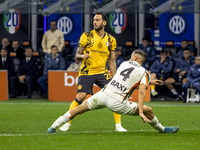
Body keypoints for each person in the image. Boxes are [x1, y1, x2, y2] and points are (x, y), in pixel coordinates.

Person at [48, 50, 179, 134]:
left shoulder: (124, 64)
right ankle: (162, 130)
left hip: (102, 95)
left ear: (133, 58)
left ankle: (53, 127)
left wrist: (149, 81)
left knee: (78, 109)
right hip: (117, 103)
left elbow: (126, 79)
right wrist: (140, 111)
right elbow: (141, 92)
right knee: (148, 110)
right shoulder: (144, 72)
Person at [59, 12, 126, 132]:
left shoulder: (111, 39)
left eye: (98, 20)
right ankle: (67, 123)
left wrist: (115, 78)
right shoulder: (86, 36)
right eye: (94, 20)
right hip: (87, 71)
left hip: (102, 72)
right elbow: (76, 56)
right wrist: (82, 56)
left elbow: (112, 61)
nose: (94, 22)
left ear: (104, 23)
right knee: (80, 96)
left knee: (115, 94)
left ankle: (118, 126)